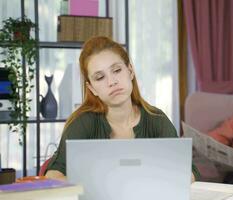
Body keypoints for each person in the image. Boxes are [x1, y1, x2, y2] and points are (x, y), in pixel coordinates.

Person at [45, 36, 198, 181]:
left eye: (117, 70)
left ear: (130, 71)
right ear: (92, 89)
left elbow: (188, 173)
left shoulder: (156, 119)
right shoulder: (82, 123)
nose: (112, 82)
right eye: (100, 77)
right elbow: (53, 175)